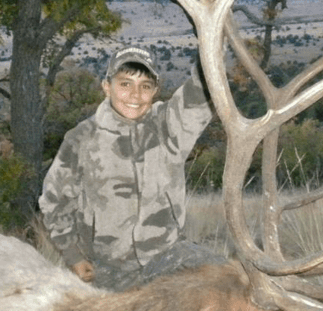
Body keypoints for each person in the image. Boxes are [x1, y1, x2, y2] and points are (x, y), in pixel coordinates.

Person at [39, 44, 226, 291]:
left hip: (166, 256)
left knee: (228, 282)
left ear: (155, 91)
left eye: (145, 86)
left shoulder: (170, 127)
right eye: (125, 84)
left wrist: (214, 43)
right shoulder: (81, 139)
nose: (135, 95)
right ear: (107, 87)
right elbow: (54, 202)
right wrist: (73, 256)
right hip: (106, 266)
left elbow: (201, 89)